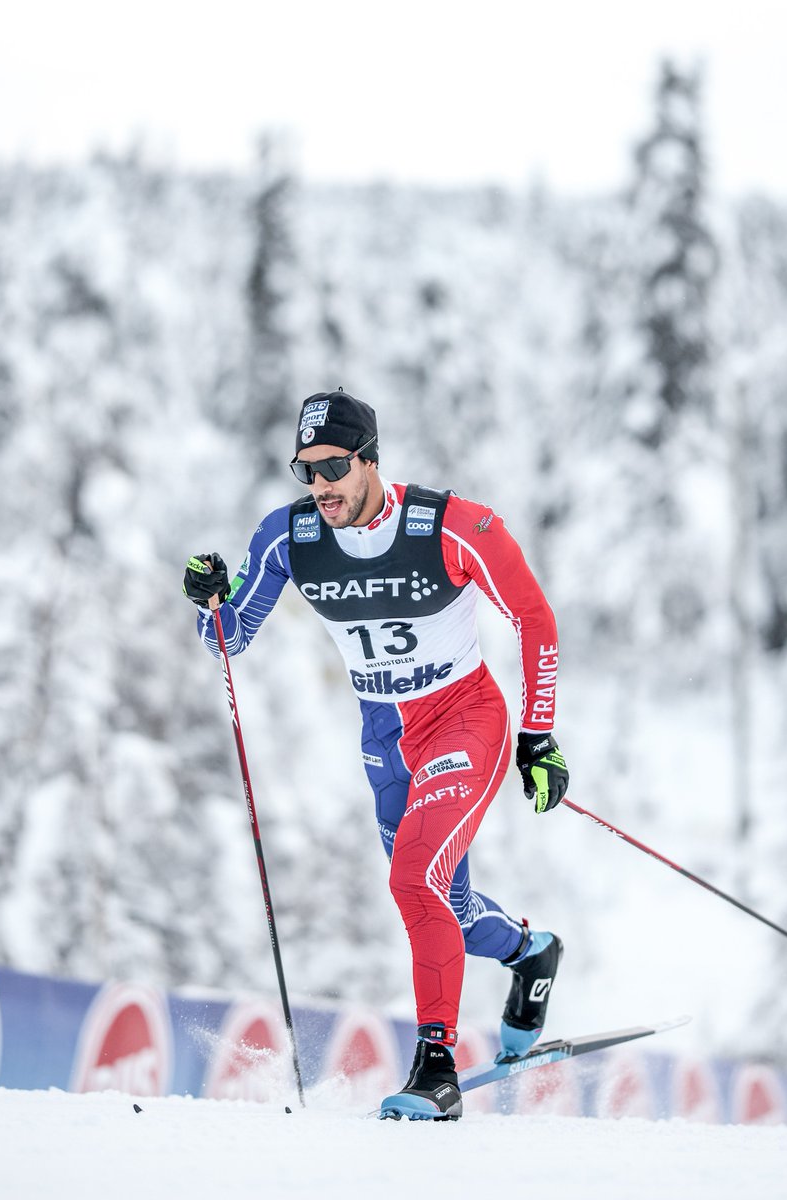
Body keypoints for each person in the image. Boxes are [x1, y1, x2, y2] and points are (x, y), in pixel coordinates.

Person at [183, 388, 569, 1121]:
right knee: (446, 902)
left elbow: (533, 616)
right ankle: (530, 952)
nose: (320, 485)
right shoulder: (289, 536)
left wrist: (538, 737)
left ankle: (435, 1068)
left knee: (415, 877)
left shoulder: (450, 527)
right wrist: (208, 600)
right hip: (385, 737)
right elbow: (228, 638)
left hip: (463, 721)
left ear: (368, 460)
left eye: (333, 466)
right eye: (306, 470)